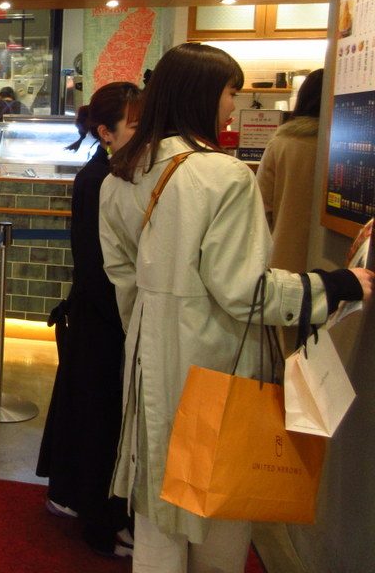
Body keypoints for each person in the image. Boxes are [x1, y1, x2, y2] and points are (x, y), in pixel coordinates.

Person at [98, 43, 373, 573]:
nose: (235, 104)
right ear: (202, 94)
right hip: (217, 358)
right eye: (230, 91)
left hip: (149, 356)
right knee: (219, 501)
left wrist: (152, 329)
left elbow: (123, 278)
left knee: (157, 503)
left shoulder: (122, 175)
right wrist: (336, 286)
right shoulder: (223, 176)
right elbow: (245, 291)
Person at [36, 81, 141, 558]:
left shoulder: (106, 174)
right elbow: (101, 264)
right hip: (103, 314)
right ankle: (101, 523)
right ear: (106, 131)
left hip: (96, 311)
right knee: (101, 417)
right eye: (136, 126)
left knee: (88, 408)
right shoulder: (102, 180)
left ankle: (71, 496)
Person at [256, 68, 323, 272]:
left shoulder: (282, 143)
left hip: (286, 262)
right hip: (345, 269)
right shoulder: (350, 146)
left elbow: (261, 207)